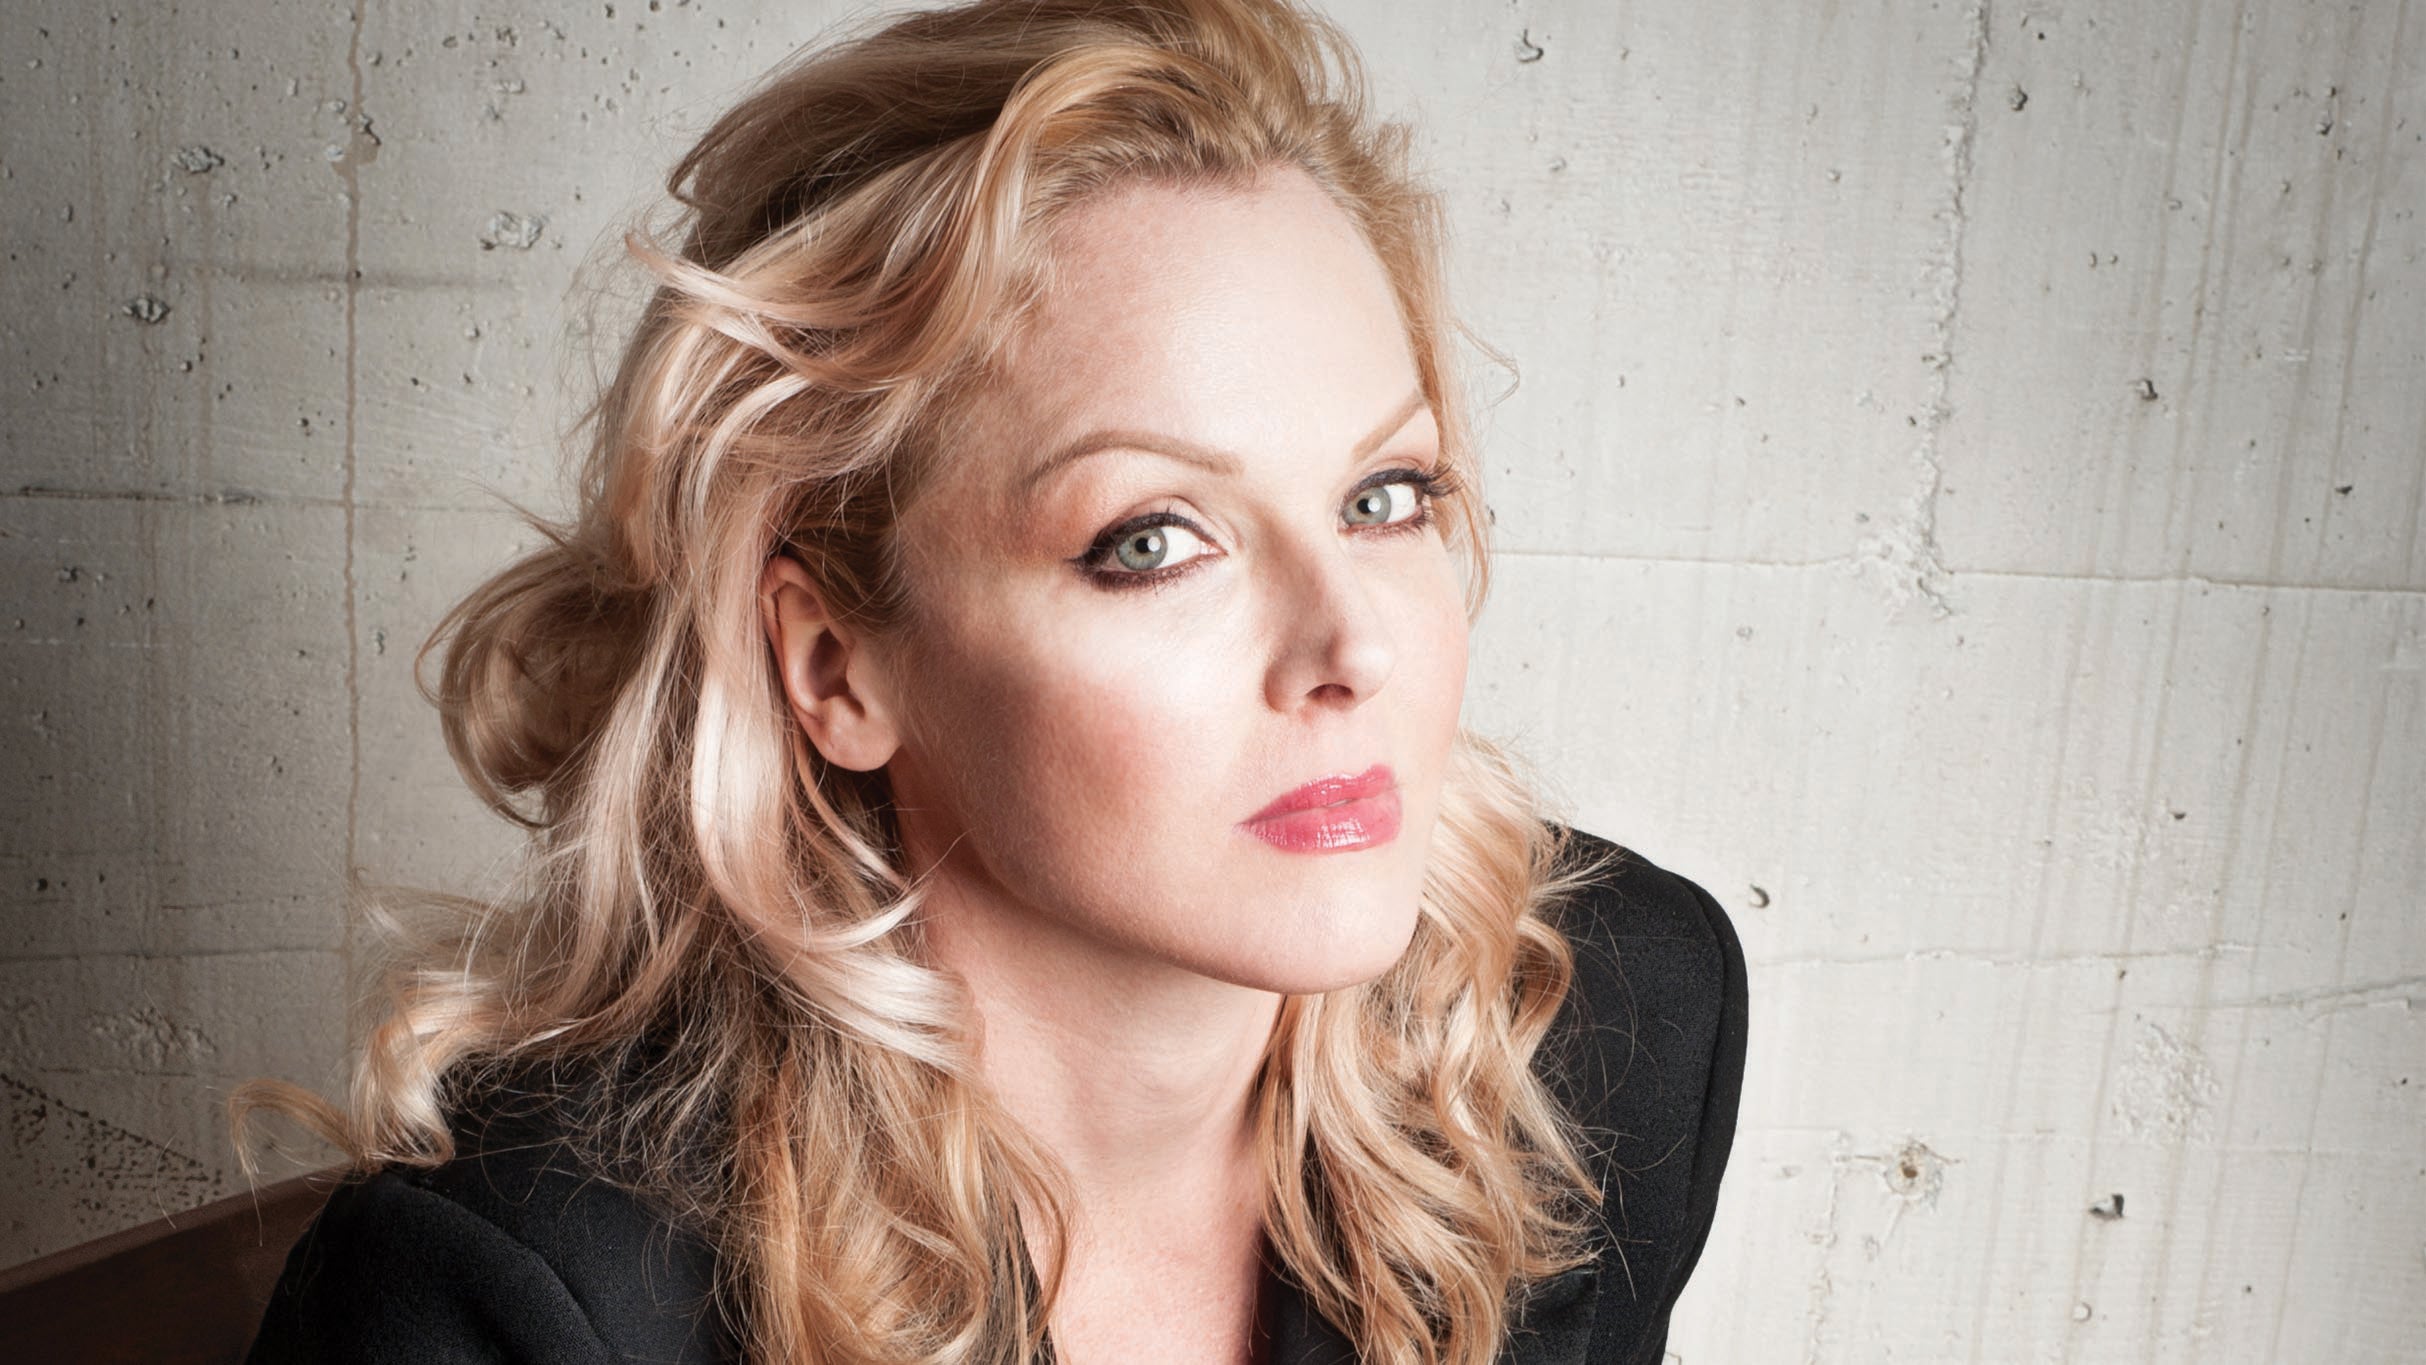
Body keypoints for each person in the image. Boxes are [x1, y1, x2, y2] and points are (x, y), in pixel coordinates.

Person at [232, 2, 1747, 1362]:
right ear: (835, 665)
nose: (1353, 647)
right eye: (1152, 541)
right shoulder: (531, 1299)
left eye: (1385, 496)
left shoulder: (1608, 1021)